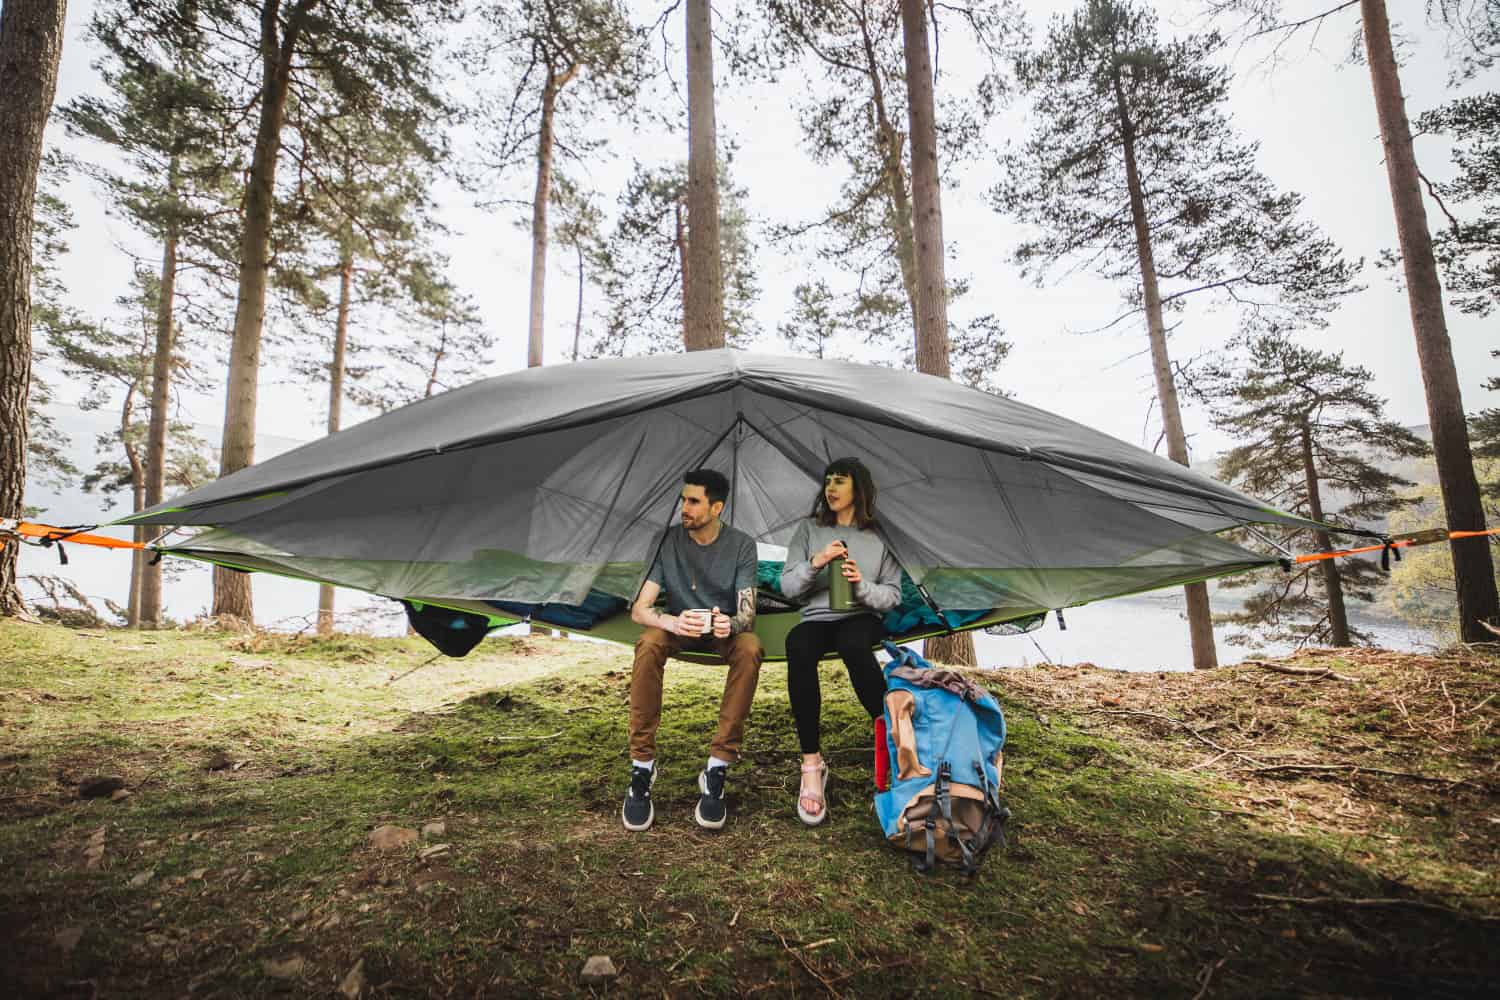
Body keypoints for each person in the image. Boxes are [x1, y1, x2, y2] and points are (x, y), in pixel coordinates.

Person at [622, 468, 763, 832]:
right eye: (683, 499)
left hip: (721, 630)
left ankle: (717, 768)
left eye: (693, 501)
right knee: (648, 642)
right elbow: (641, 609)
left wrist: (728, 625)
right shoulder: (669, 540)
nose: (683, 507)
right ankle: (642, 767)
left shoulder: (742, 545)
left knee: (750, 648)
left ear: (716, 508)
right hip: (680, 626)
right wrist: (672, 622)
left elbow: (747, 614)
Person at [779, 457, 902, 826]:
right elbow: (787, 586)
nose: (830, 488)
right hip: (817, 619)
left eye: (840, 481)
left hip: (861, 618)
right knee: (797, 645)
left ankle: (895, 742)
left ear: (857, 490)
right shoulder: (808, 529)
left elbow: (893, 595)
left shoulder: (880, 536)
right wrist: (816, 563)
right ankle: (812, 766)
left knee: (853, 645)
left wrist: (860, 585)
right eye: (828, 481)